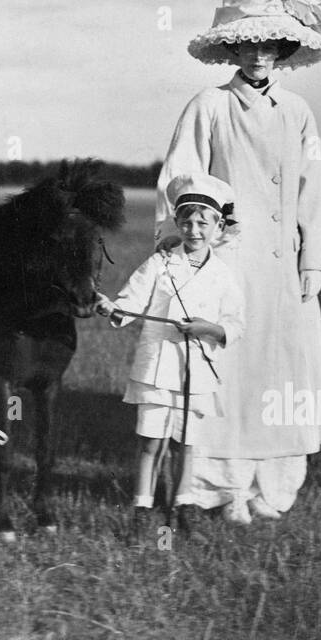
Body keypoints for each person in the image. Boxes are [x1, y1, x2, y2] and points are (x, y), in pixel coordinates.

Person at [155, 0, 321, 525]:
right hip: (227, 264)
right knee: (229, 371)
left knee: (283, 372)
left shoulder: (299, 112)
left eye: (269, 44)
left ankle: (272, 489)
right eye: (248, 44)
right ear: (232, 48)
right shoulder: (209, 106)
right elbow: (179, 180)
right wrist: (195, 240)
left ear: (282, 48)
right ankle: (220, 489)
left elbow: (313, 188)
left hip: (284, 266)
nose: (259, 55)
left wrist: (314, 258)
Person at [98, 173, 245, 537]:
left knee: (186, 443)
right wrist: (110, 308)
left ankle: (182, 507)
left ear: (218, 227)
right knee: (151, 442)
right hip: (157, 369)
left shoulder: (224, 275)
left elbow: (236, 324)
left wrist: (207, 328)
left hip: (198, 369)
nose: (194, 230)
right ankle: (142, 510)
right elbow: (129, 303)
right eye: (187, 222)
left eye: (203, 222)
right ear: (177, 223)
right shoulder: (159, 263)